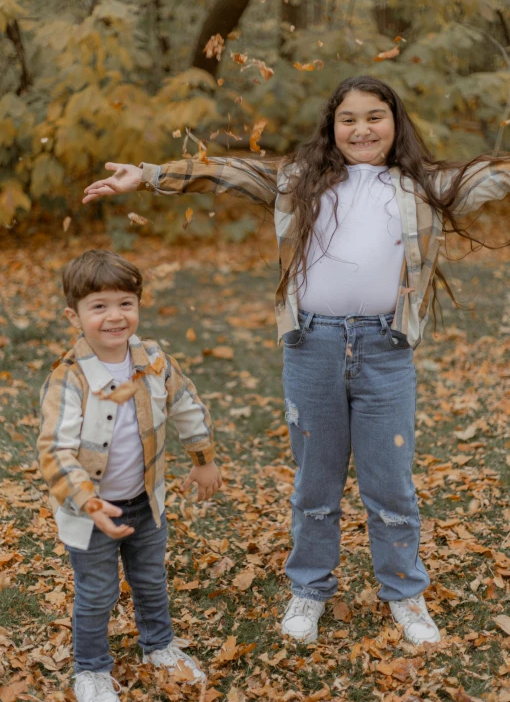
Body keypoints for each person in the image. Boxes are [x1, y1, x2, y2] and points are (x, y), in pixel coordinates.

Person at [82, 75, 510, 647]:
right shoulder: (299, 181)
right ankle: (309, 589)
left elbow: (492, 173)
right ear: (332, 128)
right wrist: (151, 175)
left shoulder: (425, 185)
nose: (362, 129)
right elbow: (227, 172)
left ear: (396, 121)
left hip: (386, 350)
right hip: (313, 346)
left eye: (375, 117)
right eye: (349, 119)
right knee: (315, 482)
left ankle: (406, 593)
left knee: (391, 485)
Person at [37, 249, 222, 702]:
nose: (115, 316)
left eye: (125, 303)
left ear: (138, 305)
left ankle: (159, 645)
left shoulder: (154, 360)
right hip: (92, 513)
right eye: (99, 306)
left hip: (145, 501)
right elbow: (55, 451)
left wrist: (203, 459)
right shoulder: (70, 379)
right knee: (97, 592)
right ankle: (92, 669)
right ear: (74, 316)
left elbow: (186, 406)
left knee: (150, 579)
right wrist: (90, 503)